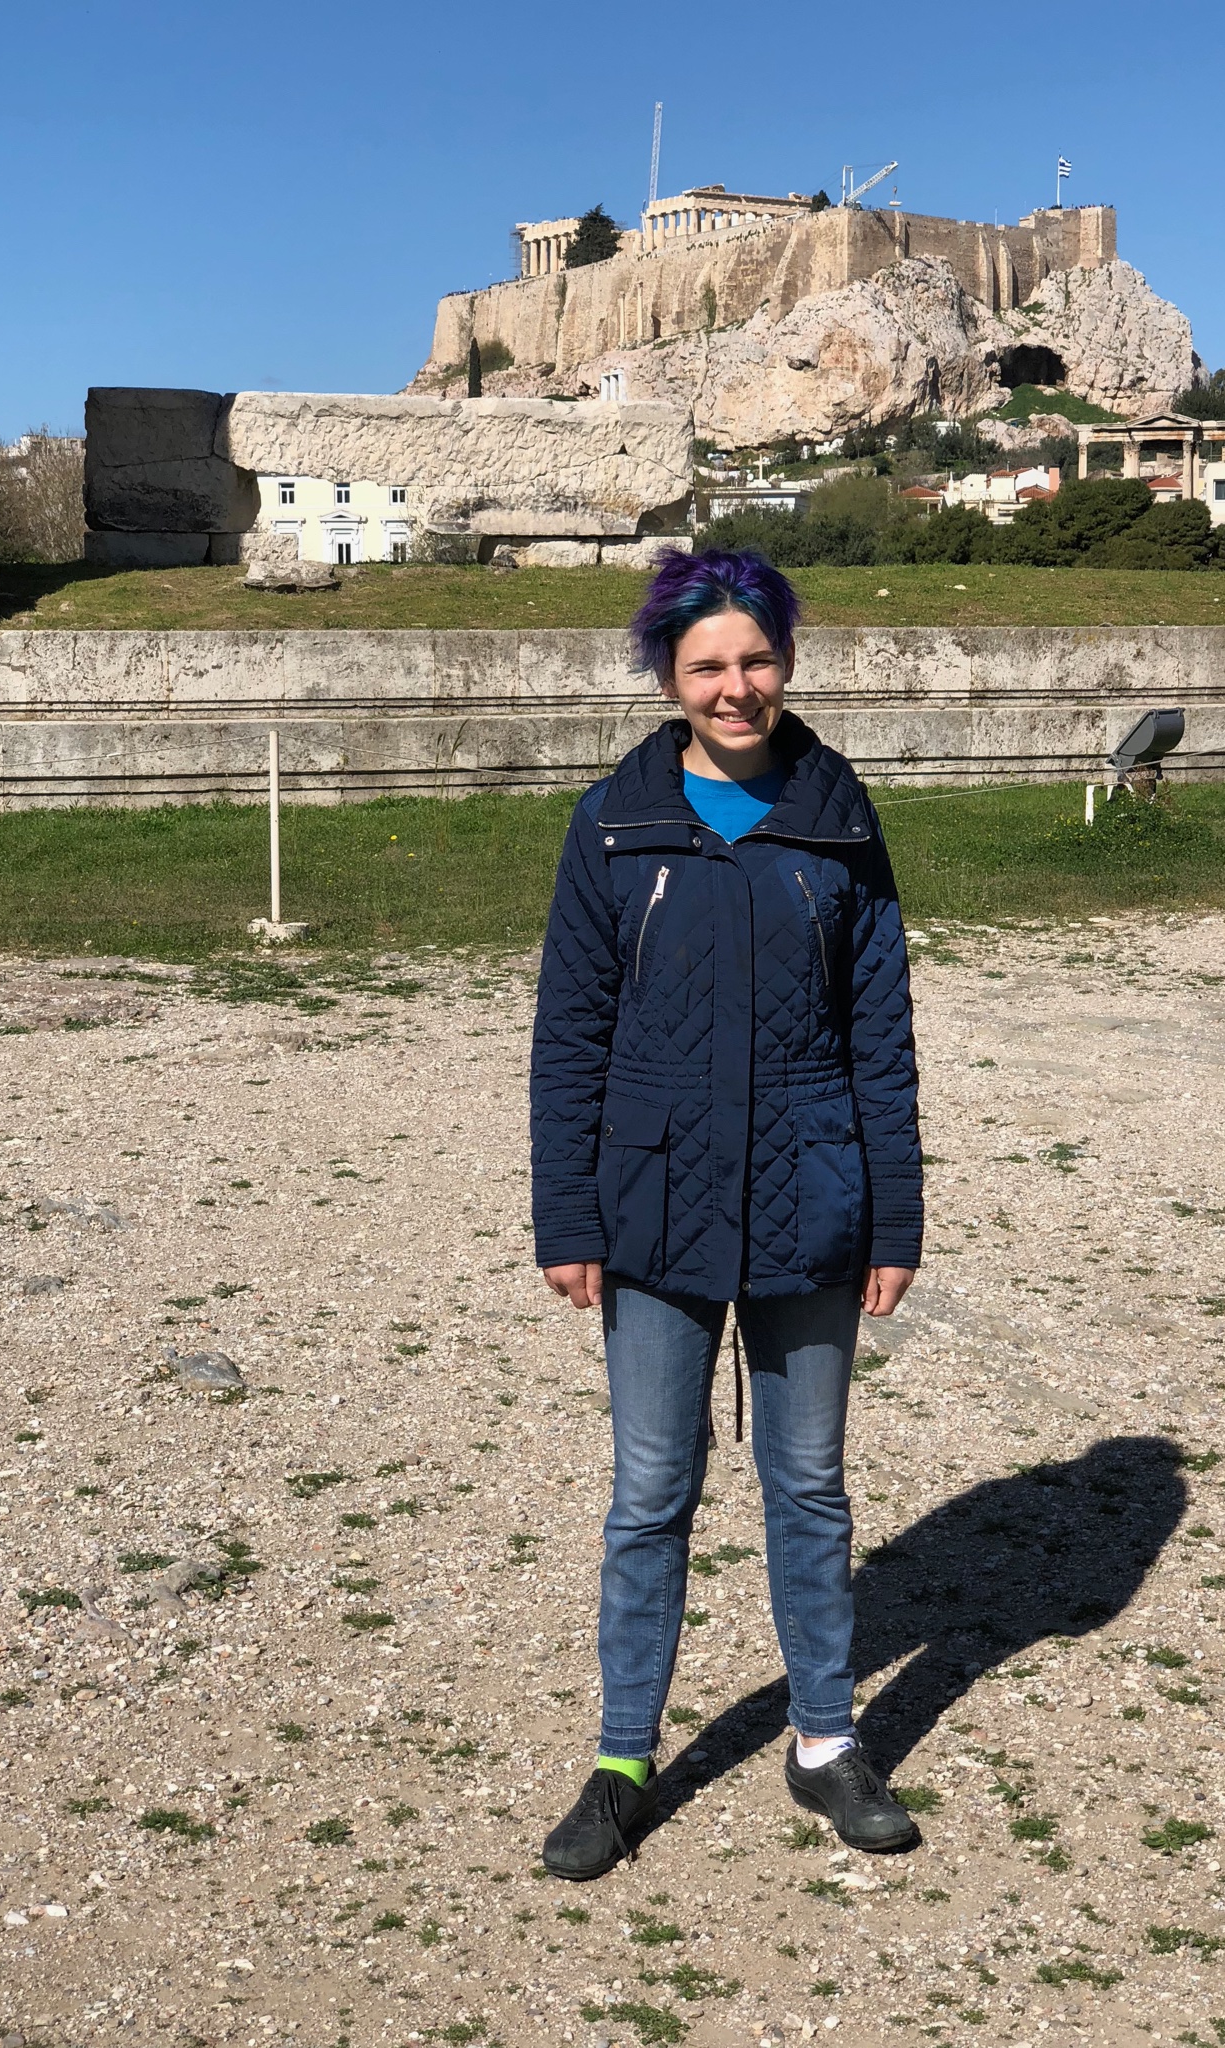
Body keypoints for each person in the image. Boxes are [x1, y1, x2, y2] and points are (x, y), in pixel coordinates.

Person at [530, 548, 924, 1880]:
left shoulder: (837, 815)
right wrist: (566, 1216)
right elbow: (569, 1040)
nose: (736, 686)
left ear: (788, 663)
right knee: (651, 1494)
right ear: (668, 676)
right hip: (651, 1208)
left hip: (815, 1198)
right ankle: (624, 1760)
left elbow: (881, 1034)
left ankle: (826, 1741)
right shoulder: (611, 825)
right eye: (708, 665)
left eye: (756, 660)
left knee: (806, 1486)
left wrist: (897, 1218)